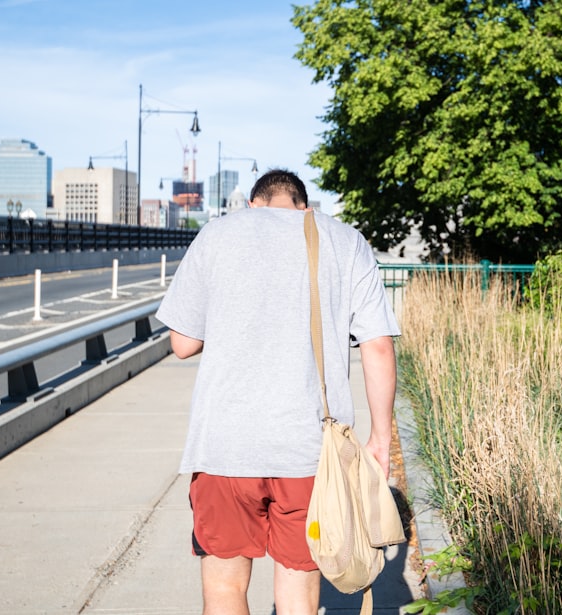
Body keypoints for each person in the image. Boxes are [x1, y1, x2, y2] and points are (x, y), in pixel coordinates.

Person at [155, 168, 401, 615]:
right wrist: (380, 441)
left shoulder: (217, 235)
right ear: (304, 206)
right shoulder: (345, 241)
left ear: (255, 203)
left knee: (224, 589)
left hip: (224, 448)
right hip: (308, 455)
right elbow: (378, 346)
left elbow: (182, 344)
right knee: (297, 596)